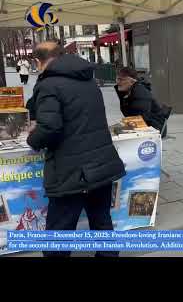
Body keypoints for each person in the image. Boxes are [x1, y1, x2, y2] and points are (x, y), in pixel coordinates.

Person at [26, 41, 126, 258]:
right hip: (100, 165)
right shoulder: (88, 79)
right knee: (101, 223)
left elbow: (50, 128)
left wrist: (32, 139)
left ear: (37, 61)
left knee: (58, 235)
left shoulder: (48, 84)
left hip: (71, 171)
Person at [114, 67, 172, 137]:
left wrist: (122, 129)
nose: (117, 82)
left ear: (132, 81)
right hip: (143, 124)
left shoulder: (140, 93)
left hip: (154, 128)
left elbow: (140, 120)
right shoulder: (128, 92)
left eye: (121, 79)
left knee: (115, 132)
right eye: (117, 79)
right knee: (114, 130)